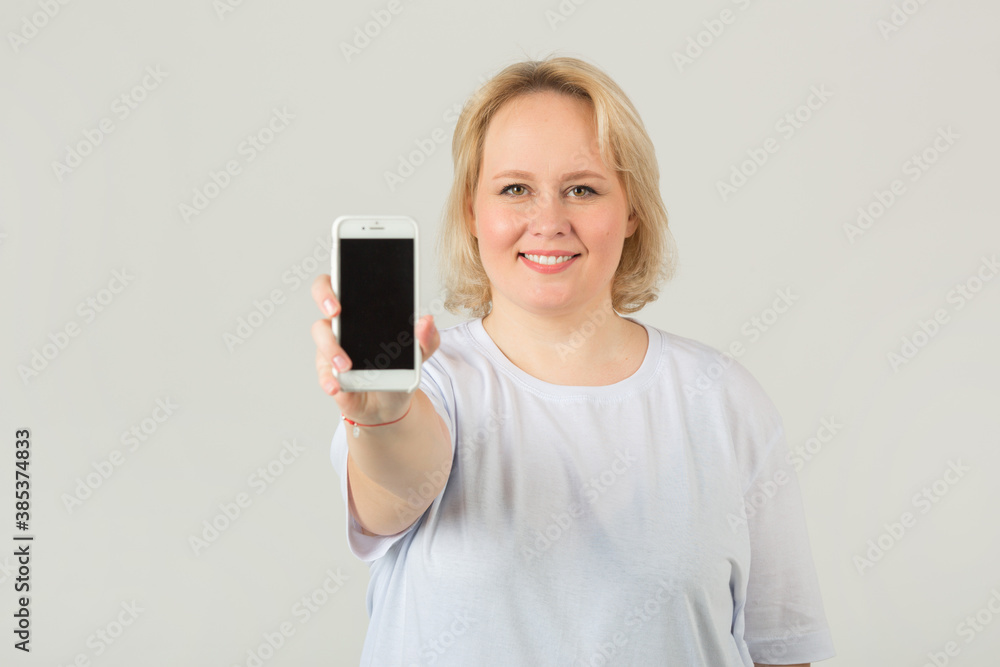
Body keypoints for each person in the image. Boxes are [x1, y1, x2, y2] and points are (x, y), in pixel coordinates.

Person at [311, 55, 836, 666]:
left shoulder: (722, 397)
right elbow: (395, 490)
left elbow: (782, 649)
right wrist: (382, 418)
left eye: (582, 189)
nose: (549, 221)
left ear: (632, 210)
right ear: (471, 213)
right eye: (514, 189)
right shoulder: (428, 384)